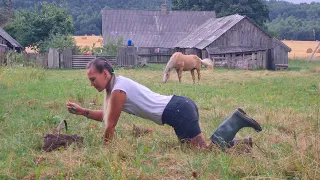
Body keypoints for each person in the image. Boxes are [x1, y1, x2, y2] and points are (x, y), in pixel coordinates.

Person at [66, 57, 262, 150]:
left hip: (178, 111)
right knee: (196, 150)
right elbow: (106, 116)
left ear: (105, 74)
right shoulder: (114, 87)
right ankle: (244, 145)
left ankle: (235, 121)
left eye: (93, 79)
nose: (91, 84)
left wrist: (105, 152)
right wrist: (83, 111)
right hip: (178, 108)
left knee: (205, 152)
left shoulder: (118, 90)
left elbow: (110, 125)